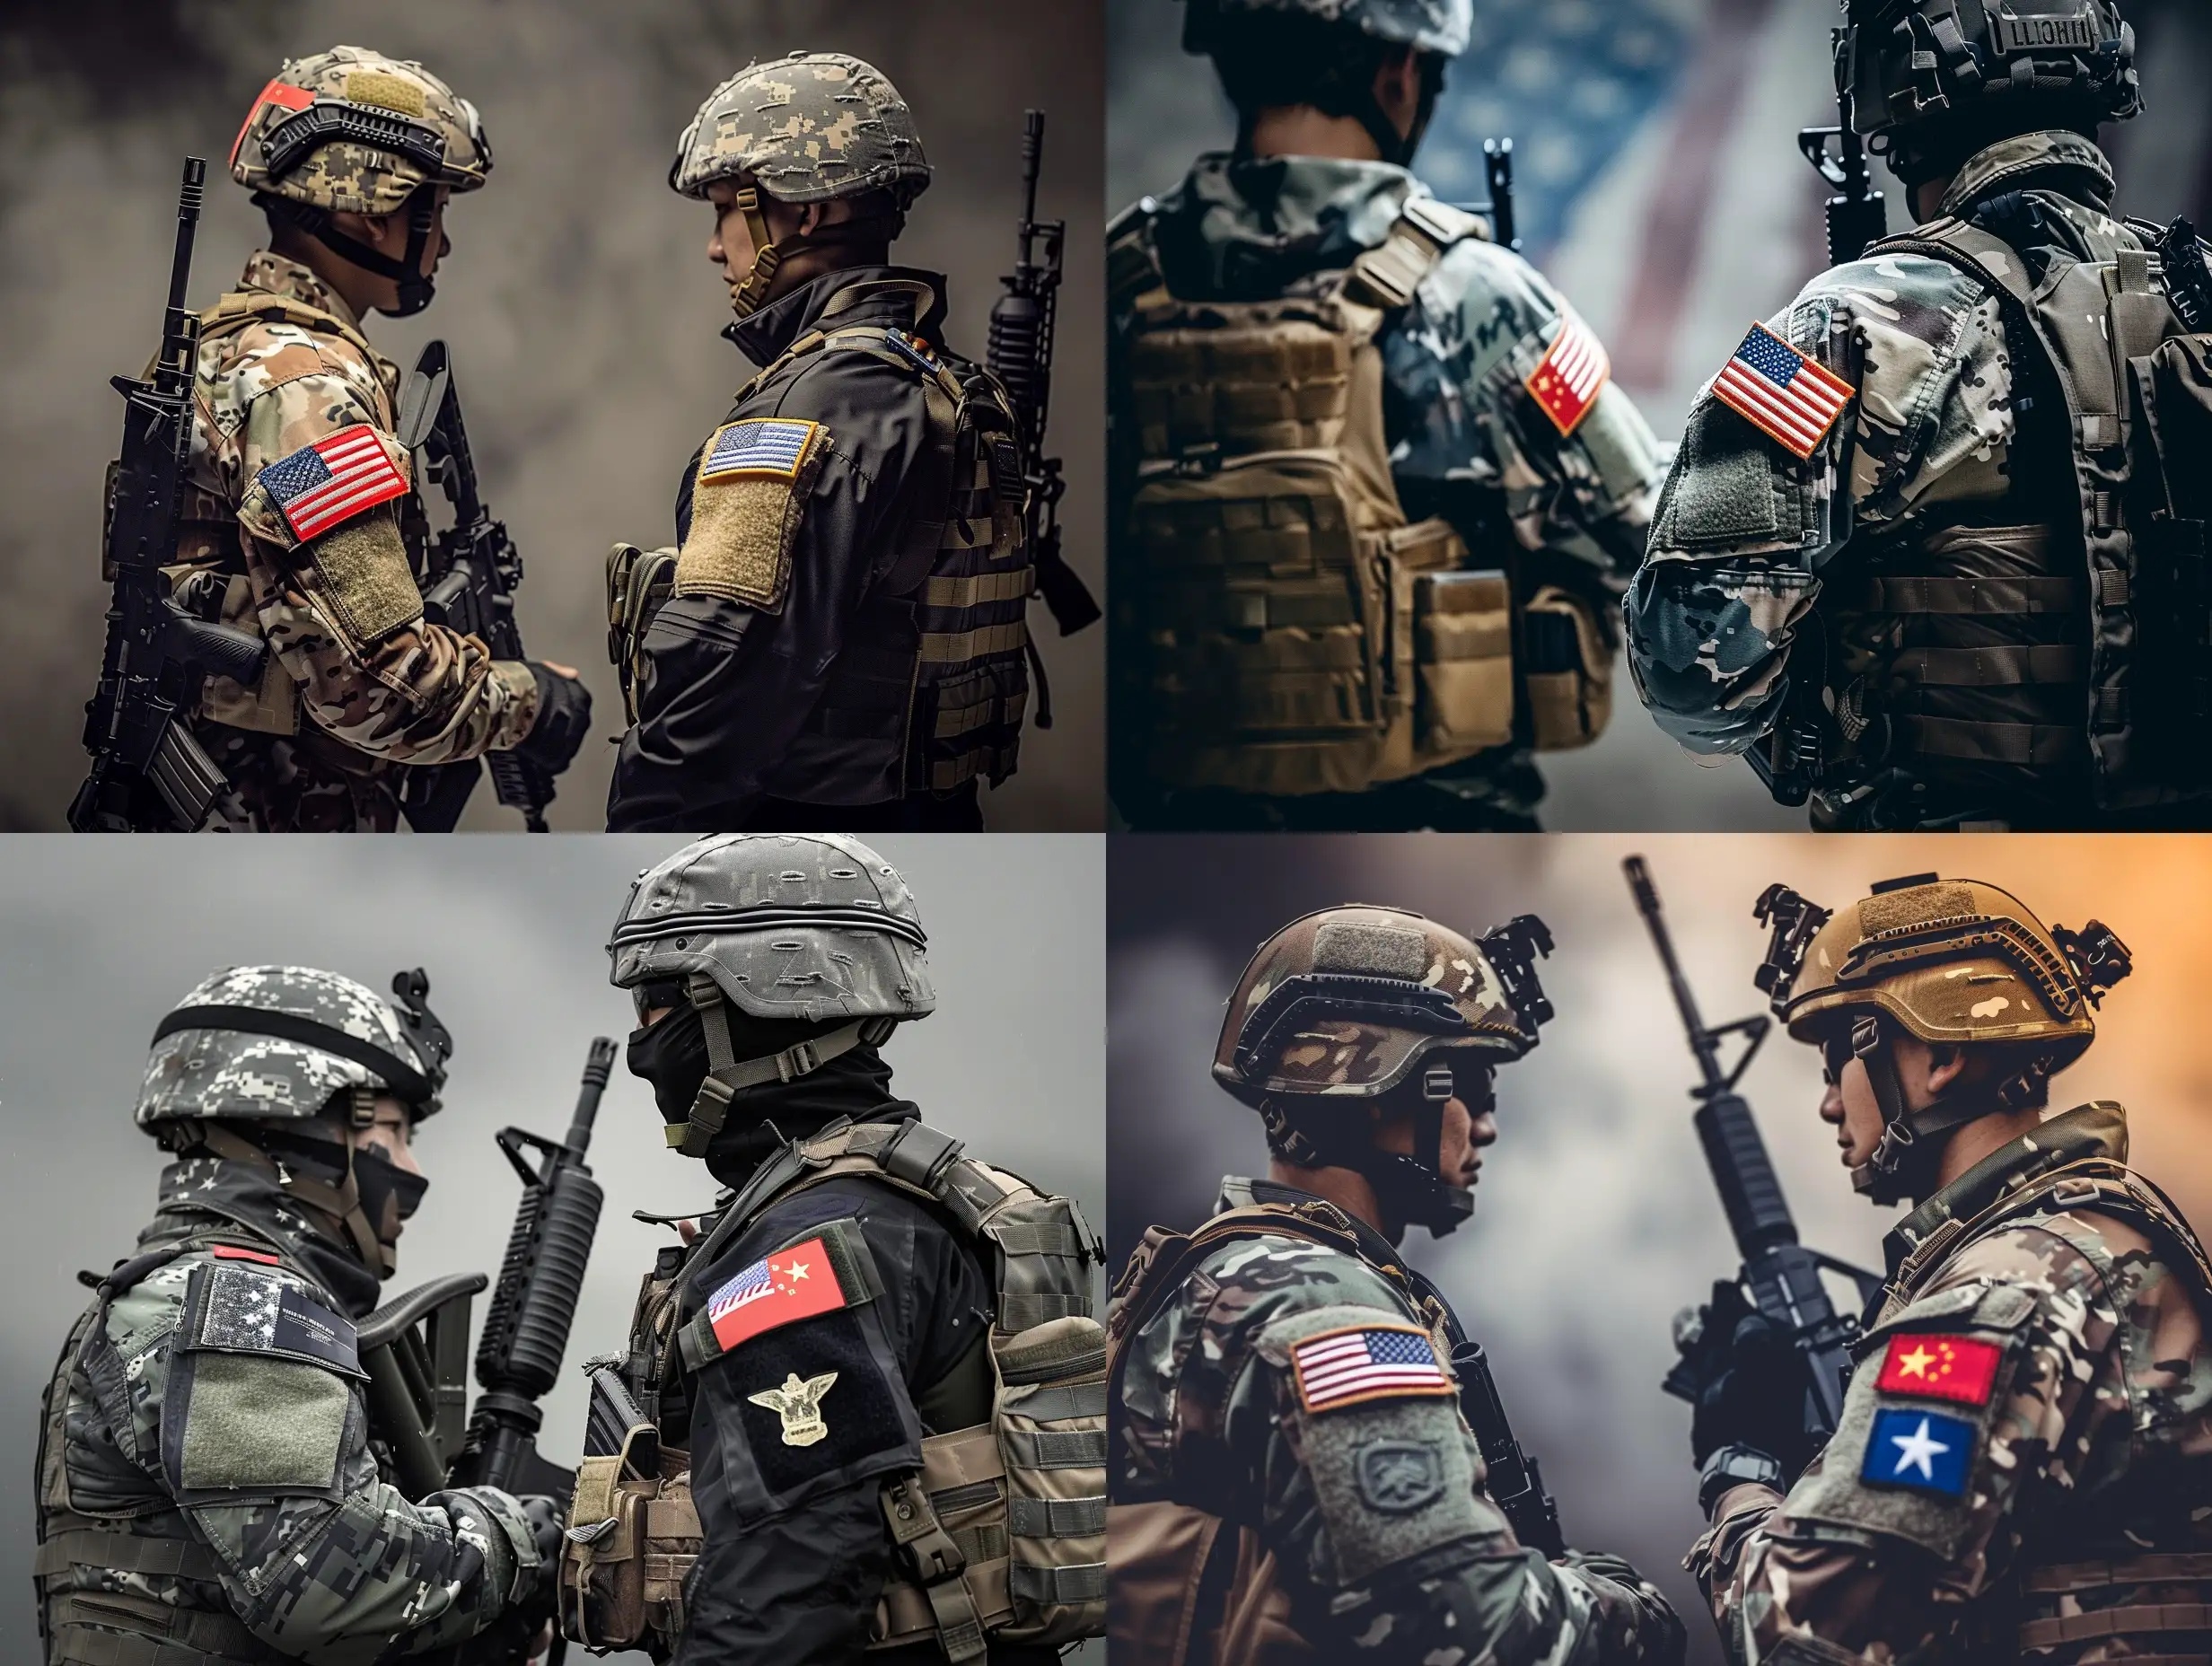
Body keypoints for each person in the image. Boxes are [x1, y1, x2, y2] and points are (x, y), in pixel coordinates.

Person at [1625, 1, 2212, 831]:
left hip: (1944, 876)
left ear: (1896, 95)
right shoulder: (2200, 292)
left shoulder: (1833, 326)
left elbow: (1693, 668)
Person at [1108, 0, 1664, 831]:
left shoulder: (1123, 282)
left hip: (1184, 830)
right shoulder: (1468, 289)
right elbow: (1643, 523)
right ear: (1401, 69)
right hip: (1431, 825)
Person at [557, 833, 1104, 1662]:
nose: (643, 1047)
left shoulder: (809, 1246)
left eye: (657, 1007)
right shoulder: (904, 1201)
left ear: (739, 1007)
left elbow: (783, 1599)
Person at [1109, 904, 1686, 1664]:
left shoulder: (1226, 1271)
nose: (1486, 1127)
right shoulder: (1325, 1307)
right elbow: (1473, 1631)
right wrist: (1627, 1607)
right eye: (1472, 1088)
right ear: (1379, 1088)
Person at [1681, 872, 2212, 1663]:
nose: (1831, 1102)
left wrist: (1742, 1473)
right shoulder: (2094, 1241)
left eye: (1838, 1058)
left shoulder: (2007, 1285)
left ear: (1941, 1055)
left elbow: (1805, 1630)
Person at [32, 966, 561, 1663]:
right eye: (396, 1132)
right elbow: (320, 1582)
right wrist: (515, 1536)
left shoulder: (191, 1289)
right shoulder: (234, 1299)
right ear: (301, 1124)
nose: (414, 1171)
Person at [154, 44, 590, 833]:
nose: (444, 243)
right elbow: (374, 685)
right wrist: (533, 700)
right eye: (436, 209)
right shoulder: (304, 385)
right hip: (273, 821)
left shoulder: (227, 348)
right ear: (369, 209)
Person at [605, 55, 1040, 834]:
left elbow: (718, 694)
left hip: (792, 824)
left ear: (805, 213)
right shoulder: (944, 382)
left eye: (723, 211)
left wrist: (643, 843)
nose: (714, 246)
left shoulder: (814, 407)